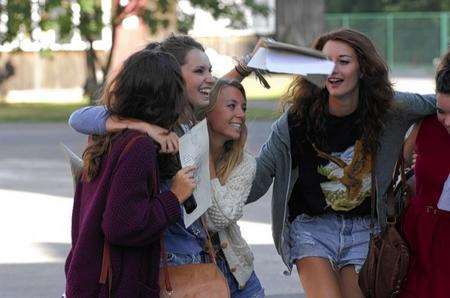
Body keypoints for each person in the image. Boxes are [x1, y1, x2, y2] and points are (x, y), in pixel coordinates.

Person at [67, 35, 265, 296]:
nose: (210, 78)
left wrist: (243, 68)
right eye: (199, 70)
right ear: (171, 76)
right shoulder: (150, 131)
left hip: (203, 254)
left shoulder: (186, 117)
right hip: (173, 260)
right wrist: (141, 127)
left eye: (210, 70)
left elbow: (219, 92)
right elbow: (79, 118)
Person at [246, 28, 436, 298]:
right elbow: (256, 183)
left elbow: (439, 106)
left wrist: (412, 151)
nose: (332, 70)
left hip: (365, 229)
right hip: (312, 228)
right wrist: (220, 147)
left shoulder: (391, 109)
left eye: (343, 61)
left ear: (363, 69)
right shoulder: (294, 122)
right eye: (325, 62)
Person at [64, 49, 196, 297]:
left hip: (88, 279)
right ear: (167, 98)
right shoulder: (139, 147)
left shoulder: (105, 134)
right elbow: (121, 226)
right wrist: (175, 196)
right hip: (117, 286)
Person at [200, 79, 264, 297]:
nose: (241, 114)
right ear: (206, 111)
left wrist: (205, 157)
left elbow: (218, 219)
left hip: (239, 279)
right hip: (191, 276)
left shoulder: (245, 163)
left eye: (243, 108)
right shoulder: (178, 151)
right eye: (231, 106)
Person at [399, 51, 450, 298]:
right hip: (418, 238)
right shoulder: (426, 124)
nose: (447, 121)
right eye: (442, 111)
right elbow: (399, 164)